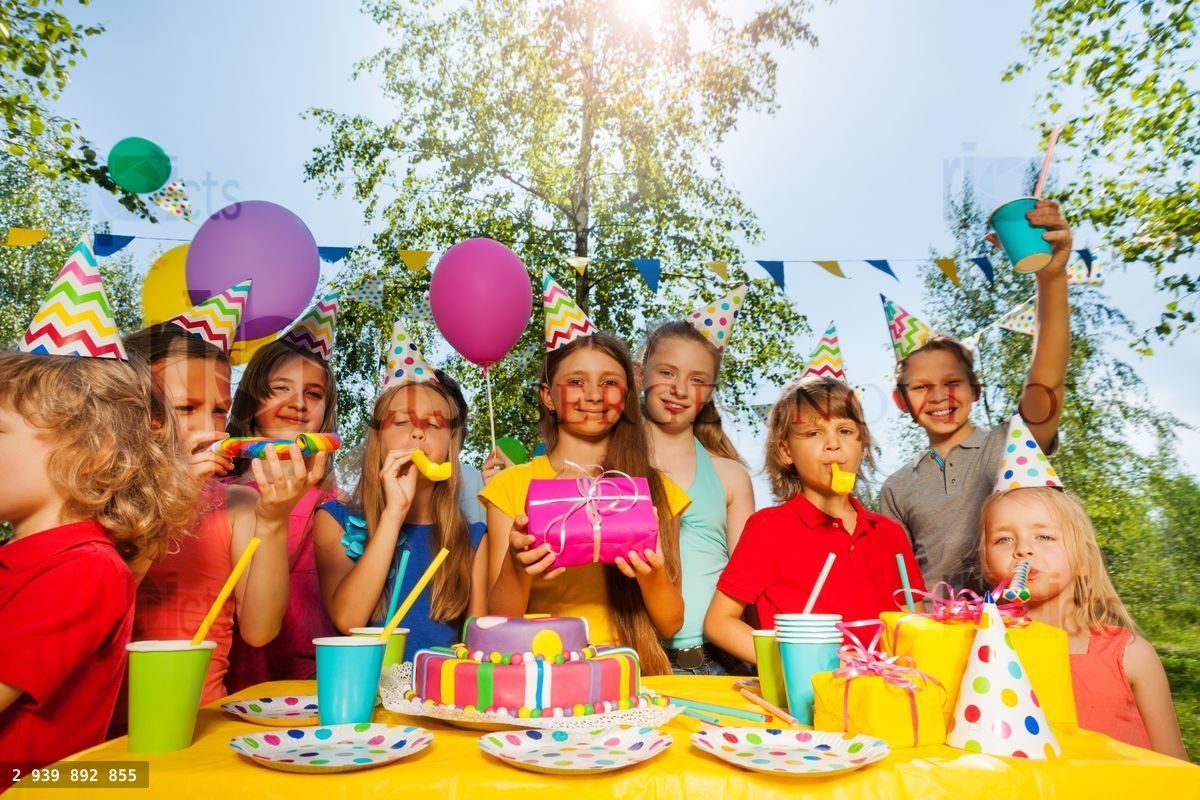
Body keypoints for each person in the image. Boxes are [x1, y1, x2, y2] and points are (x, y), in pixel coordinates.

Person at [881, 199, 1074, 589]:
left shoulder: (1012, 442)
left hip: (1018, 627)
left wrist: (1051, 279)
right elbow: (898, 581)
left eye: (953, 382)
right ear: (902, 401)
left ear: (975, 389)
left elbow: (1047, 382)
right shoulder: (896, 489)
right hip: (940, 638)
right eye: (921, 387)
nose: (939, 396)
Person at [979, 415, 1187, 759]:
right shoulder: (984, 652)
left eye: (1044, 536)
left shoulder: (1132, 655)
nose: (1023, 550)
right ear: (985, 561)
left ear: (1080, 554)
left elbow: (1177, 770)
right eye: (1003, 538)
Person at [638, 287, 755, 674]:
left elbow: (745, 580)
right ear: (641, 375)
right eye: (667, 373)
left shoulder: (731, 476)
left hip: (715, 661)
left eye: (697, 379)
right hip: (636, 658)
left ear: (708, 392)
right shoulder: (612, 464)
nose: (679, 389)